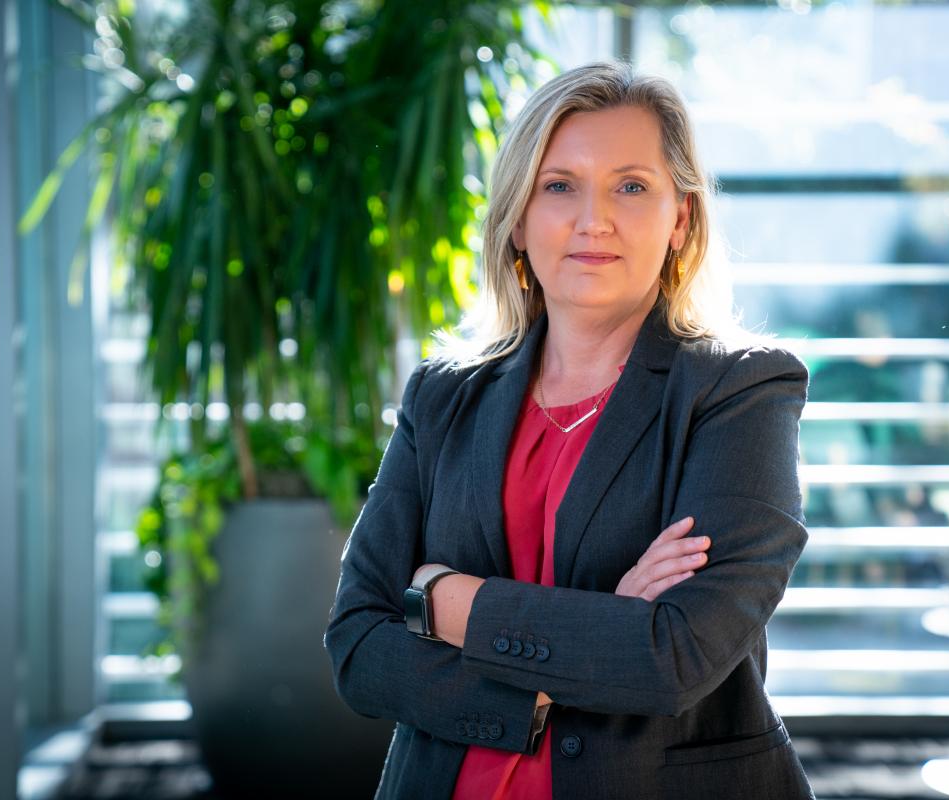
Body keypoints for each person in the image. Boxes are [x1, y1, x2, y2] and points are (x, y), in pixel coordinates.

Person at [325, 60, 815, 800]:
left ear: (680, 219)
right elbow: (359, 645)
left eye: (631, 186)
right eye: (559, 186)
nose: (595, 220)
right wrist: (596, 639)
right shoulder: (442, 396)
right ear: (518, 220)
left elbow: (674, 657)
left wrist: (446, 600)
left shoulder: (741, 392)